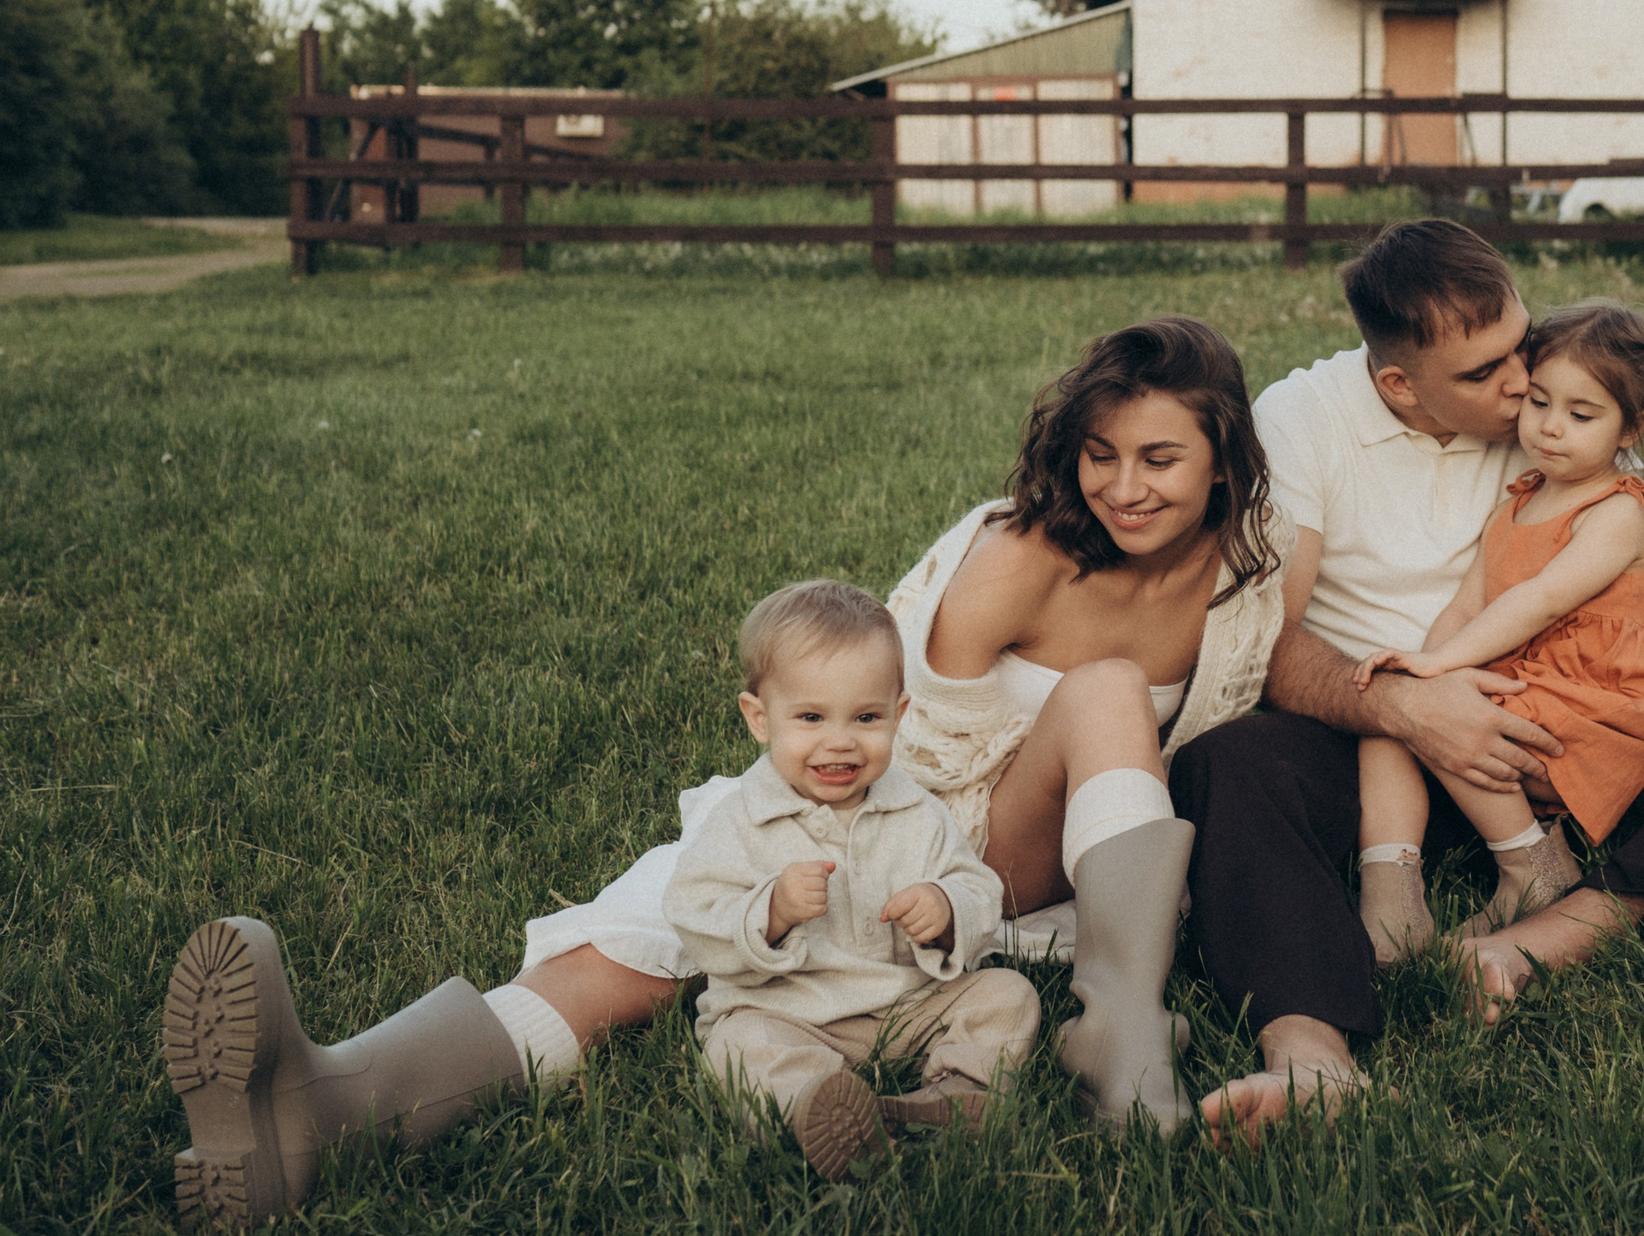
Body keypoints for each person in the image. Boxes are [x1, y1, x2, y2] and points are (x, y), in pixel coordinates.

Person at [163, 316, 1290, 1224]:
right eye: (1100, 454)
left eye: (1159, 458)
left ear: (1224, 458)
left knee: (1098, 689)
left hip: (1019, 874)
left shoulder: (1247, 575)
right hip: (893, 811)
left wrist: (1390, 692)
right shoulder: (1024, 553)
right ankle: (335, 1102)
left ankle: (1123, 1041)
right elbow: (894, 745)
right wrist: (810, 855)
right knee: (653, 934)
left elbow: (1297, 665)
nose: (1123, 486)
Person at [1171, 220, 1644, 1141]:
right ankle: (1311, 1056)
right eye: (1487, 372)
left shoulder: (1557, 403)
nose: (1522, 383)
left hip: (1560, 744)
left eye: (1522, 344)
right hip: (1383, 757)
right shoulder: (1303, 421)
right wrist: (1411, 706)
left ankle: (1539, 937)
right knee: (1226, 765)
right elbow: (1271, 638)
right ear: (1400, 385)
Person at [663, 580, 1037, 1178]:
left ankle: (955, 1093)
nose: (840, 742)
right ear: (760, 719)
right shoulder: (740, 820)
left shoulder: (915, 811)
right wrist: (771, 910)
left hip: (906, 1005)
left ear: (899, 715)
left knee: (1007, 995)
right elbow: (694, 914)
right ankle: (815, 1106)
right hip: (786, 1012)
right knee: (740, 1045)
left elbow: (977, 889)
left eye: (866, 717)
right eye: (811, 717)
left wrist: (946, 908)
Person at [1352, 299, 1644, 961]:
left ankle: (1533, 867)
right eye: (1538, 402)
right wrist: (1422, 675)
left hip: (1595, 712)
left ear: (1631, 427)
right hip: (1532, 690)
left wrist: (1441, 670)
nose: (1551, 427)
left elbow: (1541, 600)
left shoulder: (1619, 514)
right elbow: (1468, 602)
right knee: (1390, 715)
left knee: (1458, 718)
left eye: (1581, 415)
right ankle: (1391, 899)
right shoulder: (1518, 502)